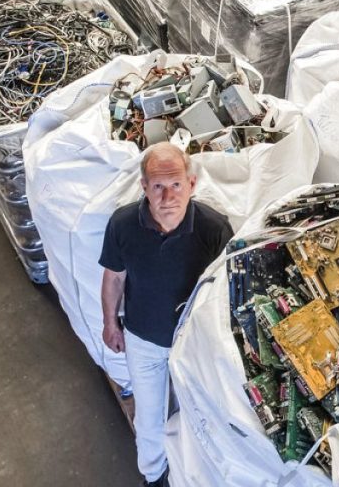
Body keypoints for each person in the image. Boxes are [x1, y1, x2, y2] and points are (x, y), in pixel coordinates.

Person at [99, 142, 233, 487]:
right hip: (143, 340)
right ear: (144, 187)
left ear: (192, 185)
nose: (167, 196)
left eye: (176, 185)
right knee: (148, 418)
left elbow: (226, 291)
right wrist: (110, 323)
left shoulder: (214, 228)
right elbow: (114, 276)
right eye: (158, 186)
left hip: (193, 344)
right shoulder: (123, 224)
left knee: (200, 416)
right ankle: (154, 476)